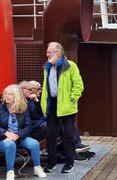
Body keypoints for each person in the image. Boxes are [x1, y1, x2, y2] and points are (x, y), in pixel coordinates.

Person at [41, 42, 84, 173]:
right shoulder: (47, 67)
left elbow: (78, 85)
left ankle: (69, 162)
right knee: (50, 135)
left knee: (68, 135)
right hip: (52, 104)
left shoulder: (70, 66)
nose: (47, 54)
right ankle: (51, 163)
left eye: (50, 52)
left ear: (58, 53)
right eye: (47, 52)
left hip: (67, 106)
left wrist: (72, 99)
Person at [0, 84, 47, 180]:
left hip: (19, 137)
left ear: (16, 96)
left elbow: (28, 126)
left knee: (34, 143)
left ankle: (37, 168)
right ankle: (10, 171)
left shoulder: (23, 109)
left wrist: (17, 135)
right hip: (3, 138)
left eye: (10, 94)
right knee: (10, 145)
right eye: (6, 94)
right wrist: (6, 133)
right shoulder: (0, 109)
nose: (7, 96)